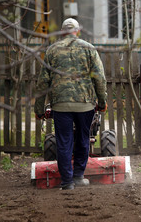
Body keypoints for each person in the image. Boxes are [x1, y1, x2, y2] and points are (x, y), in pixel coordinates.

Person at [34, 18, 107, 190]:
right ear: (77, 31)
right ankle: (79, 176)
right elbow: (100, 78)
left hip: (60, 104)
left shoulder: (51, 51)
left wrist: (39, 109)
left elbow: (42, 82)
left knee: (64, 141)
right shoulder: (89, 48)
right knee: (83, 138)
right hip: (85, 104)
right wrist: (102, 102)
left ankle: (67, 182)